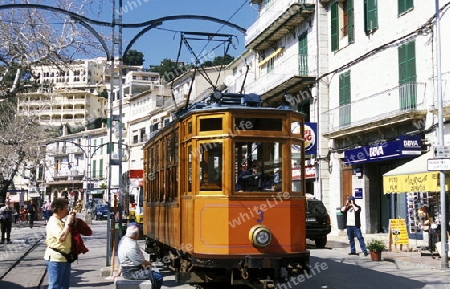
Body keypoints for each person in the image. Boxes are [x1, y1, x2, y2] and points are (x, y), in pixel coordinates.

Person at [44, 198, 76, 289]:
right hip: (56, 259)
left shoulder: (60, 221)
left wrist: (71, 221)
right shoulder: (53, 222)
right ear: (59, 209)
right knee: (55, 286)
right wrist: (68, 223)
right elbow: (62, 238)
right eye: (66, 208)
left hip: (65, 257)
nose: (67, 210)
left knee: (64, 286)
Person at [118, 225, 163, 289]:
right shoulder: (131, 247)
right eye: (138, 233)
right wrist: (150, 265)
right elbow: (141, 262)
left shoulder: (124, 239)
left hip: (129, 270)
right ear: (136, 235)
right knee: (158, 277)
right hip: (132, 272)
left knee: (154, 272)